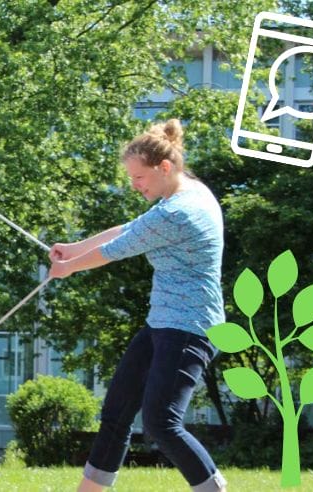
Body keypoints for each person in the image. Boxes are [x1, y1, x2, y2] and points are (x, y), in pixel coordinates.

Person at [49, 120, 227, 492]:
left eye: (139, 177)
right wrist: (73, 248)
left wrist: (68, 267)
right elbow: (128, 229)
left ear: (165, 167)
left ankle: (214, 489)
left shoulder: (178, 213)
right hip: (163, 323)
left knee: (161, 422)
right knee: (116, 412)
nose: (134, 185)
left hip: (190, 327)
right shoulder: (184, 194)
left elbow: (116, 250)